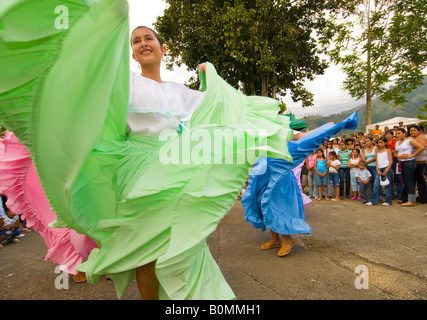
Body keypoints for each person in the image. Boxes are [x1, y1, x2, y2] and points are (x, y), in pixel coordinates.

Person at [0, 9, 296, 301]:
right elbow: (90, 80)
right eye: (136, 41)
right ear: (132, 53)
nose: (142, 43)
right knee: (147, 248)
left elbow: (218, 109)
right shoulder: (125, 82)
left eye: (148, 38)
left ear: (163, 48)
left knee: (186, 242)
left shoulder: (181, 91)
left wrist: (210, 79)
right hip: (135, 166)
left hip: (173, 167)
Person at [394, 127, 425, 206]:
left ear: (404, 133)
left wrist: (412, 155)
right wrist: (399, 155)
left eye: (399, 133)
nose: (397, 135)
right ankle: (408, 198)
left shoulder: (409, 140)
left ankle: (411, 200)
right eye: (396, 133)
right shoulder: (397, 142)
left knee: (409, 181)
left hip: (409, 162)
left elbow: (421, 147)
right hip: (402, 162)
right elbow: (395, 152)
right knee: (405, 181)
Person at [370, 137, 393, 206]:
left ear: (385, 143)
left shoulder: (388, 150)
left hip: (386, 167)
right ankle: (374, 200)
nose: (380, 144)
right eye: (379, 143)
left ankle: (388, 201)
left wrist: (387, 169)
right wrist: (377, 169)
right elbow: (377, 160)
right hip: (379, 168)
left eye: (381, 142)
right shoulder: (377, 151)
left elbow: (390, 161)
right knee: (376, 185)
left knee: (387, 185)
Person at [408, 125, 427, 204]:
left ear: (419, 131)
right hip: (415, 161)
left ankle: (424, 198)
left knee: (421, 180)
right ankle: (421, 196)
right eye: (411, 130)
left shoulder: (421, 137)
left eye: (414, 130)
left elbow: (422, 147)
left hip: (421, 161)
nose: (412, 132)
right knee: (418, 180)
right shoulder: (414, 138)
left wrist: (413, 154)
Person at [385, 129, 402, 199]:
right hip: (387, 161)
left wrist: (391, 152)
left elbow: (397, 150)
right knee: (389, 178)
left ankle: (399, 194)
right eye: (386, 134)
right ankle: (390, 194)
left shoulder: (396, 142)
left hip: (395, 160)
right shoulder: (384, 143)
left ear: (392, 135)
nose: (387, 136)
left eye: (389, 134)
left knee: (398, 177)